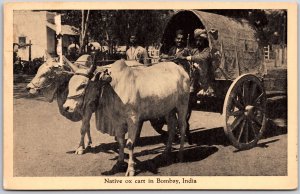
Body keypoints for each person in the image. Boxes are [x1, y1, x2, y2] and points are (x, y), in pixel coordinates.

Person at [181, 28, 215, 97]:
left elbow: (204, 57)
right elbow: (184, 54)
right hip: (194, 74)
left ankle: (206, 89)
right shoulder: (194, 50)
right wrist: (184, 53)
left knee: (201, 65)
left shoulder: (207, 49)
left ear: (204, 41)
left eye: (200, 40)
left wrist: (191, 58)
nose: (198, 42)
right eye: (197, 40)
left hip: (205, 74)